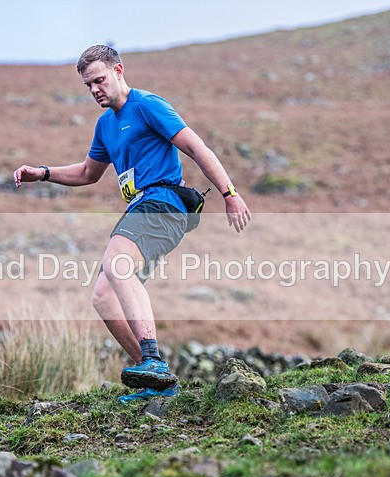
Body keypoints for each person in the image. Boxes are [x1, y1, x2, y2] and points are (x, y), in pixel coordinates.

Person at [13, 45, 251, 401]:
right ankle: (158, 382)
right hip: (140, 208)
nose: (94, 90)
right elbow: (87, 173)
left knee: (117, 264)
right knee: (103, 295)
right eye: (88, 85)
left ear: (119, 71)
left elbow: (197, 148)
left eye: (99, 80)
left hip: (164, 203)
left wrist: (229, 193)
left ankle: (152, 360)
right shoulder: (104, 125)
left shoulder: (148, 105)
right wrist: (42, 173)